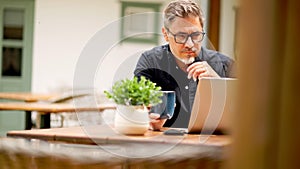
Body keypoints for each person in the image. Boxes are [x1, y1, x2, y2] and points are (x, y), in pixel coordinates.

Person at [134, 0, 236, 130]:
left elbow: (247, 113)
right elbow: (136, 107)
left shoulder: (225, 64)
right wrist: (147, 120)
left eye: (196, 35)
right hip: (162, 142)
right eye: (181, 36)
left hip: (214, 144)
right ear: (166, 34)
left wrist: (217, 84)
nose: (190, 44)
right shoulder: (150, 62)